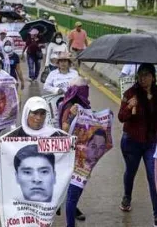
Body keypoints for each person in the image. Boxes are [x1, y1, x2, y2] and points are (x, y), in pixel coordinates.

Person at [118, 63, 157, 227]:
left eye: (147, 74)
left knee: (153, 177)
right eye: (141, 74)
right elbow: (121, 117)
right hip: (132, 142)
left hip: (151, 143)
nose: (143, 78)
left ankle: (156, 214)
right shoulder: (130, 93)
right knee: (131, 172)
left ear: (153, 77)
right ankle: (127, 197)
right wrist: (129, 106)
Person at [59, 76, 91, 226]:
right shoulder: (69, 106)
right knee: (72, 194)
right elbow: (64, 129)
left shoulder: (85, 106)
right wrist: (72, 115)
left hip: (84, 156)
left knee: (78, 189)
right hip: (71, 156)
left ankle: (71, 209)